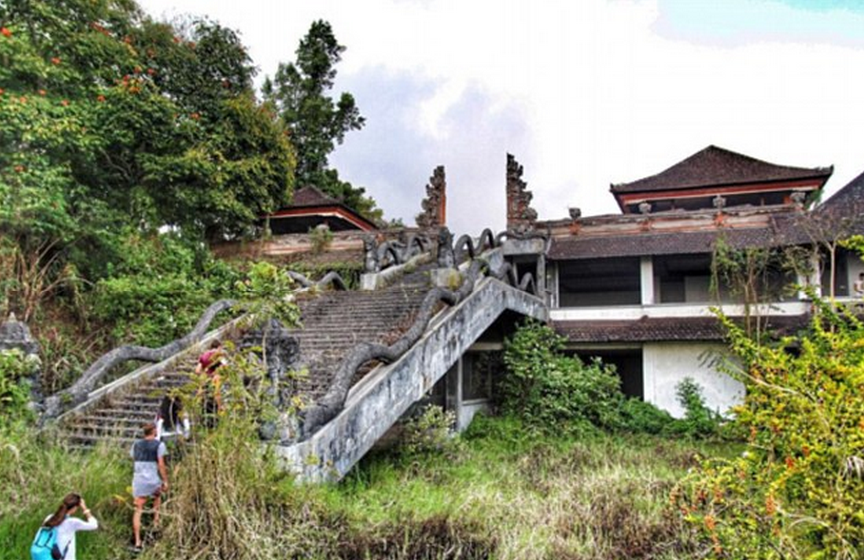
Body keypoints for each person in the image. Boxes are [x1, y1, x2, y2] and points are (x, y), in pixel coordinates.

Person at [130, 423, 168, 553]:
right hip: (152, 480)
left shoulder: (135, 445)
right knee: (157, 498)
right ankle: (156, 524)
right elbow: (161, 465)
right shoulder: (159, 445)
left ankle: (137, 542)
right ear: (154, 431)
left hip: (139, 480)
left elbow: (133, 459)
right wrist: (165, 480)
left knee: (138, 509)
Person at [32, 493, 98, 560]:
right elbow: (94, 525)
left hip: (48, 556)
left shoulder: (49, 518)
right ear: (75, 508)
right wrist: (85, 508)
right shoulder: (72, 523)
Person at [195, 340, 226, 422]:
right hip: (215, 380)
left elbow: (197, 371)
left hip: (205, 380)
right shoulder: (219, 356)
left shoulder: (204, 355)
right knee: (216, 396)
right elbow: (226, 367)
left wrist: (205, 372)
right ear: (219, 347)